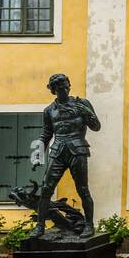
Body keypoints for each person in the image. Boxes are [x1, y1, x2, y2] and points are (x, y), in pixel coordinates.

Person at [29, 73, 100, 238]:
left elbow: (96, 127)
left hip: (78, 149)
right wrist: (37, 154)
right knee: (46, 188)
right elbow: (46, 135)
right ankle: (40, 226)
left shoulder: (81, 104)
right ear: (53, 90)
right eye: (59, 88)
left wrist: (87, 112)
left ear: (69, 86)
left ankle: (89, 225)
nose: (64, 90)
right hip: (58, 150)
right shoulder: (49, 111)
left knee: (83, 189)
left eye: (66, 86)